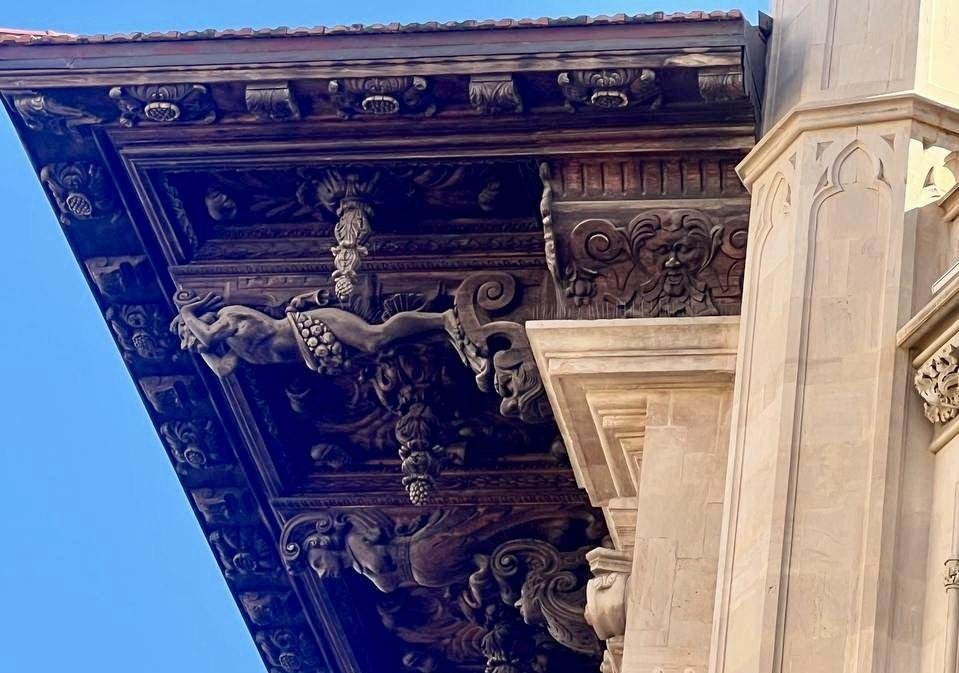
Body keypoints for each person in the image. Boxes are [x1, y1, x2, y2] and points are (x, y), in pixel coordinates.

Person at [171, 291, 448, 377]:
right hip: (318, 355)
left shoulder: (230, 317)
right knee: (383, 349)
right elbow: (222, 369)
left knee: (374, 338)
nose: (187, 341)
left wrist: (186, 313)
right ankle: (438, 328)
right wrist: (202, 351)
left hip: (312, 327)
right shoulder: (236, 347)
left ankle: (442, 319)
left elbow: (208, 336)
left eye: (186, 331)